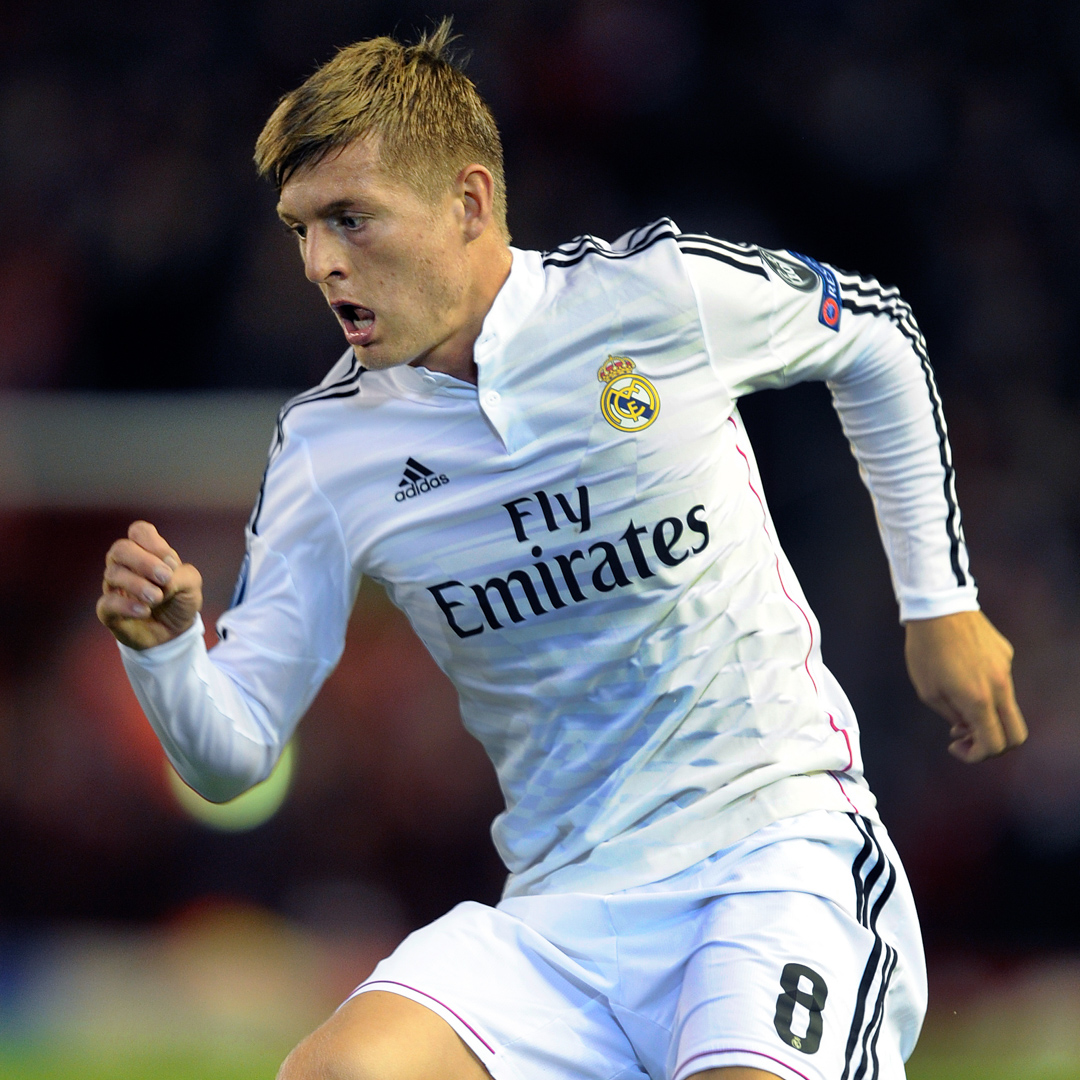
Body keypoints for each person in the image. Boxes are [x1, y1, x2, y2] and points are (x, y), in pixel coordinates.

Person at [96, 20, 1026, 1080]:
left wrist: (940, 602)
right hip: (561, 917)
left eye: (351, 219)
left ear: (471, 201)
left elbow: (877, 333)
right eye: (300, 229)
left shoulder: (653, 298)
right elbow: (235, 751)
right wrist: (168, 653)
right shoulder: (329, 446)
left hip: (771, 856)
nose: (319, 263)